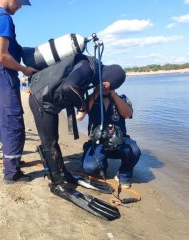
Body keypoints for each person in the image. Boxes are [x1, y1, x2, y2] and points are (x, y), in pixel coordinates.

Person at [28, 53, 125, 220]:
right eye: (108, 85)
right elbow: (69, 87)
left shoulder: (91, 68)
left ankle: (62, 173)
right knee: (49, 142)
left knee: (54, 139)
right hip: (41, 101)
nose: (106, 88)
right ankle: (57, 183)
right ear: (108, 79)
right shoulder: (88, 67)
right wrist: (81, 107)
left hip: (48, 100)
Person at [0, 0, 37, 183]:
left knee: (3, 120)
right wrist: (24, 69)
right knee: (12, 122)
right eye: (20, 3)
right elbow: (1, 55)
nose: (20, 7)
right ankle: (12, 174)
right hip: (3, 73)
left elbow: (5, 49)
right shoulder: (4, 18)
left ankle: (12, 163)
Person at [80, 83, 141, 189]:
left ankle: (124, 174)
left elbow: (128, 114)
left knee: (134, 151)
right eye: (101, 84)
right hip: (98, 142)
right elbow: (80, 115)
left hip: (120, 140)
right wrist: (96, 92)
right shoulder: (92, 99)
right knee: (89, 168)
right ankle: (101, 165)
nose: (104, 87)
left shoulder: (122, 98)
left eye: (107, 84)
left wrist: (113, 95)